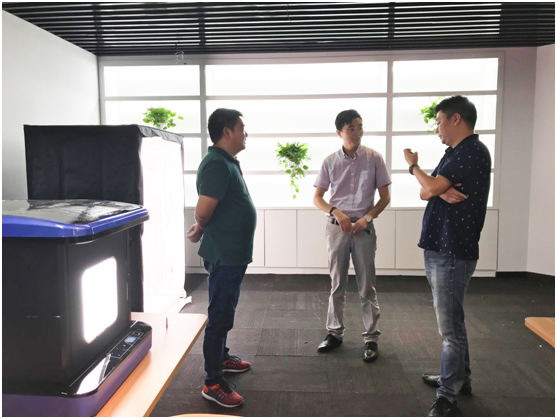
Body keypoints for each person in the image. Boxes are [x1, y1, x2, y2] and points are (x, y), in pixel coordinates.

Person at [403, 95, 491, 417]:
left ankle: (447, 395)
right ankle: (458, 378)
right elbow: (426, 191)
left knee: (449, 328)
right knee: (453, 321)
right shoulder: (454, 153)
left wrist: (413, 166)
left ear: (456, 119)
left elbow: (428, 187)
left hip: (452, 250)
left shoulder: (471, 151)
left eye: (439, 121)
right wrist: (437, 188)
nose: (437, 128)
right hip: (442, 248)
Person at [186, 108, 256, 408]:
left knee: (226, 312)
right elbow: (203, 210)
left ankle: (222, 357)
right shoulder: (217, 164)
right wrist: (201, 224)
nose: (245, 133)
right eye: (242, 128)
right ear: (227, 132)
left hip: (232, 253)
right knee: (219, 317)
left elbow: (218, 207)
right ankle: (212, 382)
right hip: (225, 255)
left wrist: (202, 226)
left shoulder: (225, 162)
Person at [313, 109, 391, 362]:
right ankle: (334, 333)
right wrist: (336, 212)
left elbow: (385, 198)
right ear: (339, 133)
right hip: (337, 227)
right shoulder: (330, 161)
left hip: (363, 228)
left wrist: (367, 218)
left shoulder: (374, 158)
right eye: (351, 129)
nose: (357, 133)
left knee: (367, 285)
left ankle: (371, 338)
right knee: (337, 283)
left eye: (359, 127)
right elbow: (317, 197)